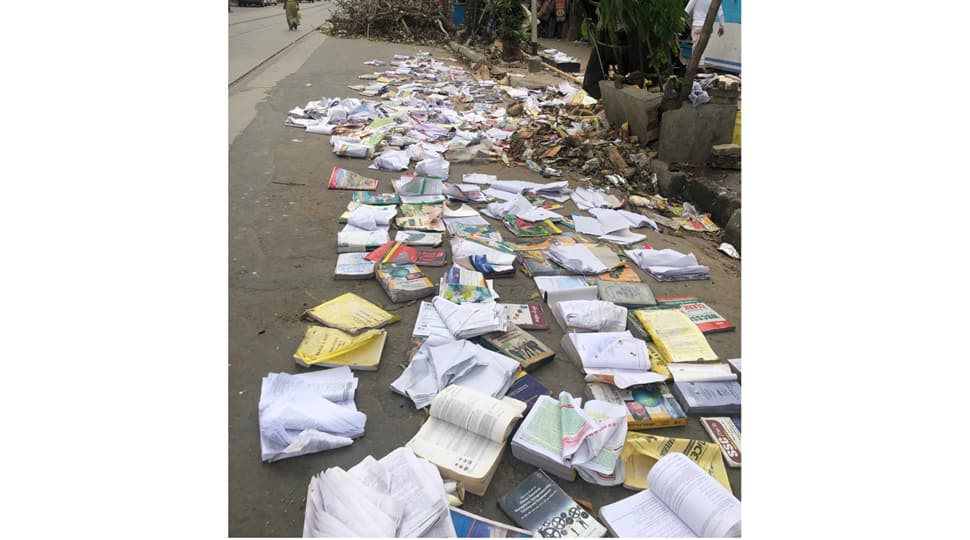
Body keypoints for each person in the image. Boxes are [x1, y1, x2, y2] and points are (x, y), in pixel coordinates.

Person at [685, 0, 724, 64]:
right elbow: (720, 14)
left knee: (696, 50)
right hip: (708, 27)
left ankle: (698, 68)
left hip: (697, 25)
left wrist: (680, 24)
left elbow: (687, 11)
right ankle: (699, 66)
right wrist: (721, 27)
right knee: (702, 48)